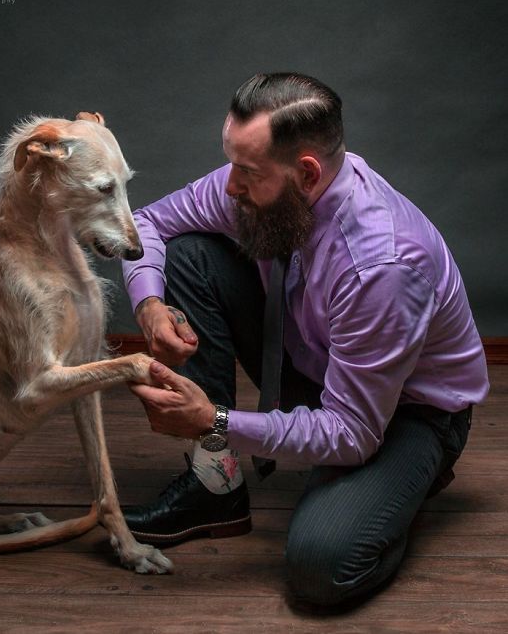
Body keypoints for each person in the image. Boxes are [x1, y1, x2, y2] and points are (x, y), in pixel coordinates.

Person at [121, 72, 489, 608]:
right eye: (231, 165)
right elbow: (147, 223)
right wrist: (150, 304)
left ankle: (399, 493)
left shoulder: (382, 265)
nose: (229, 187)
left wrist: (214, 421)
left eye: (246, 172)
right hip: (317, 366)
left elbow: (355, 432)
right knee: (189, 255)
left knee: (321, 565)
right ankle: (214, 487)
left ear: (307, 173)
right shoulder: (265, 187)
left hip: (404, 413)